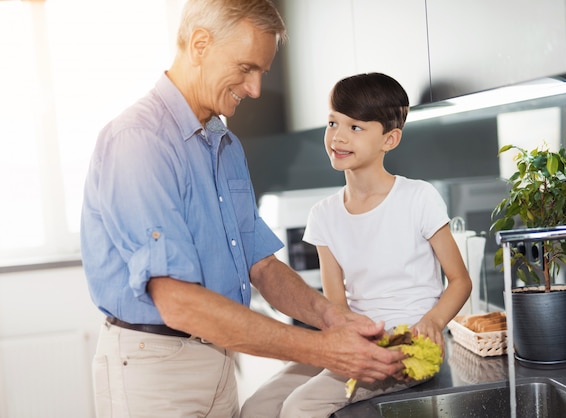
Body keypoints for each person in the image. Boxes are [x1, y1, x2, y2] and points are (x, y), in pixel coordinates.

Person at [80, 2, 406, 417]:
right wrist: (321, 349)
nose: (253, 89)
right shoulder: (139, 141)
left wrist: (331, 317)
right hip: (154, 370)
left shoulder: (225, 145)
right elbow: (178, 302)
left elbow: (262, 266)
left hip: (217, 359)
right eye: (246, 68)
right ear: (200, 44)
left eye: (262, 74)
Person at [240, 72, 473, 418]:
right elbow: (337, 307)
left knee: (300, 407)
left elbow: (460, 281)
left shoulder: (418, 197)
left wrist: (434, 323)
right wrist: (344, 346)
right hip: (357, 343)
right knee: (257, 407)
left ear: (389, 139)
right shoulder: (323, 215)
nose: (338, 137)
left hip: (408, 349)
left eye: (355, 128)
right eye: (333, 122)